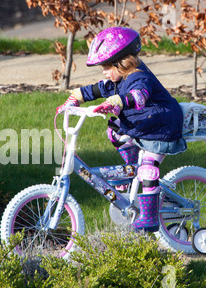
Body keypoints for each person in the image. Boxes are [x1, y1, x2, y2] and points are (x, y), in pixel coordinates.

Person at [57, 27, 187, 232]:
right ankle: (130, 170)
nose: (104, 71)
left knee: (148, 168)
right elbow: (95, 89)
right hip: (142, 124)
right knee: (115, 130)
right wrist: (74, 99)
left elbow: (139, 96)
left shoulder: (138, 77)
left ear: (122, 62)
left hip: (161, 128)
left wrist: (118, 101)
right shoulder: (117, 80)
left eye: (107, 66)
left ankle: (150, 218)